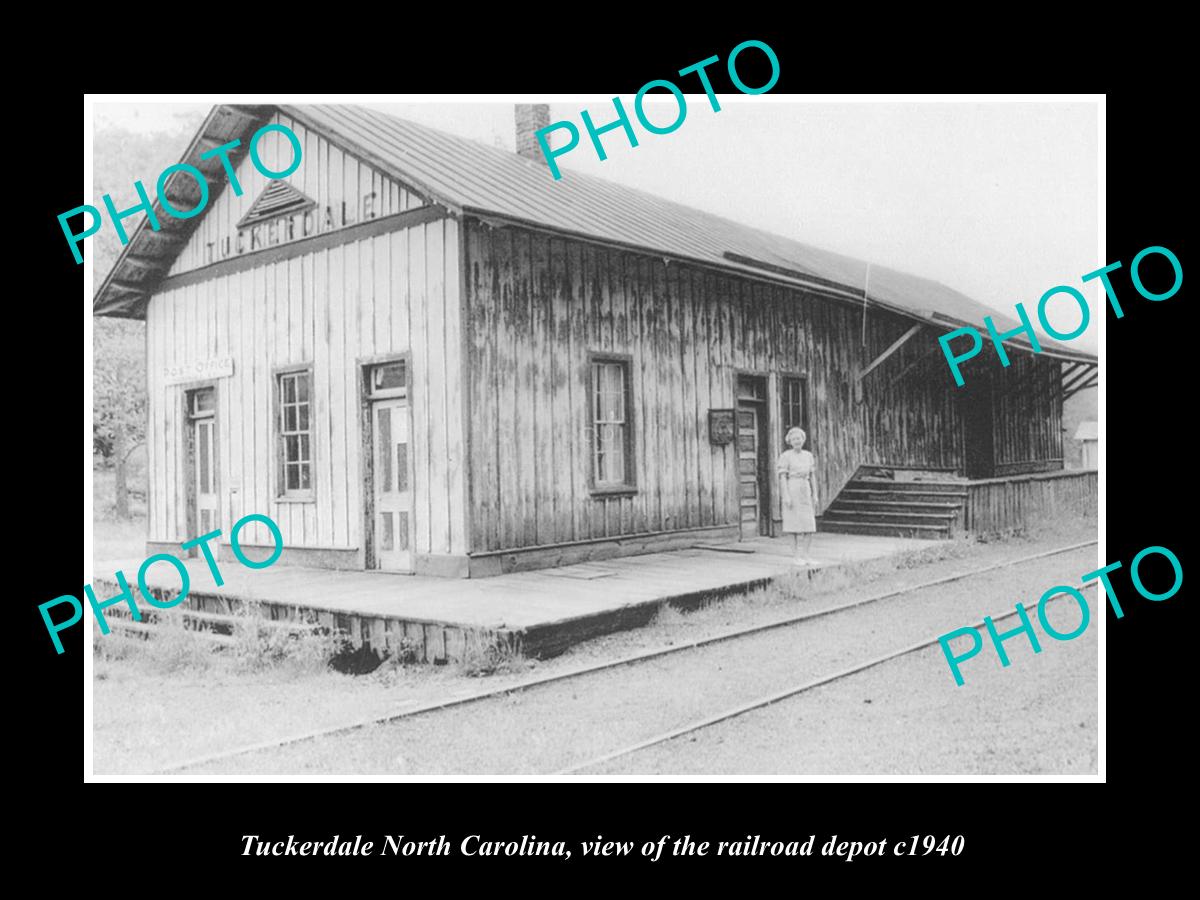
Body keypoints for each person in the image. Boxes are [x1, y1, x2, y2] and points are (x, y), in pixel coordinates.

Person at [777, 426, 818, 565]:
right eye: (794, 439)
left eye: (799, 438)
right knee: (792, 523)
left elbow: (812, 476)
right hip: (792, 488)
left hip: (805, 489)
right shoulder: (786, 456)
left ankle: (806, 555)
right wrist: (786, 496)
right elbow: (782, 477)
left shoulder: (808, 455)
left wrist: (815, 494)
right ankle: (796, 557)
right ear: (790, 441)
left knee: (809, 524)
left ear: (803, 439)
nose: (797, 441)